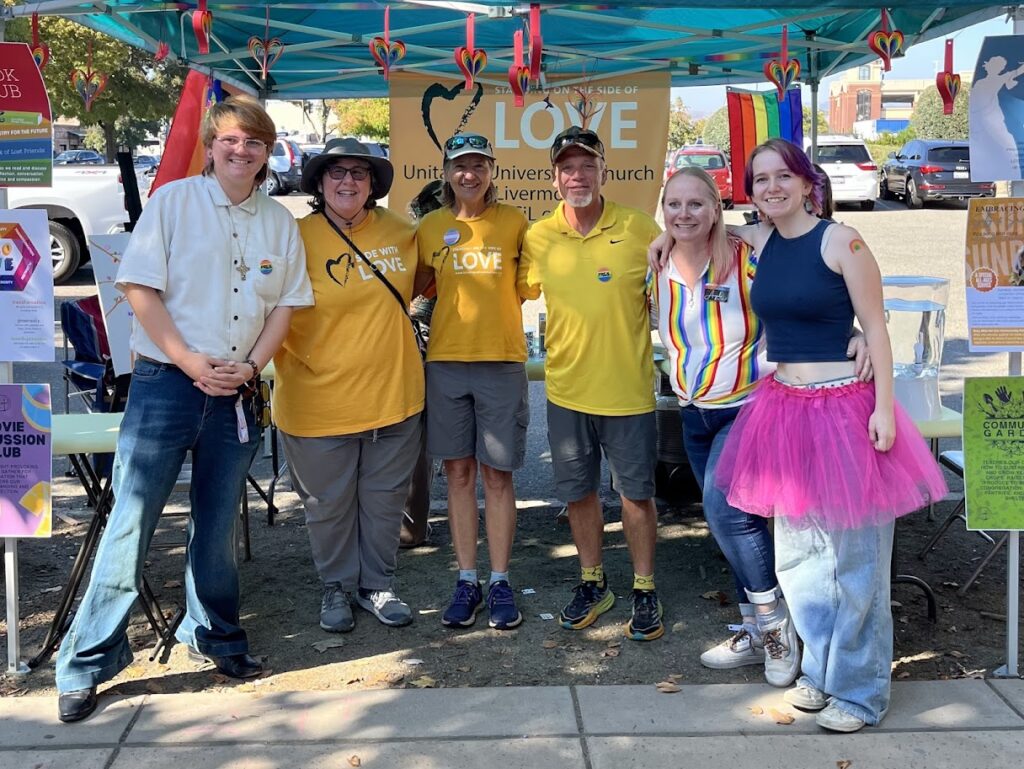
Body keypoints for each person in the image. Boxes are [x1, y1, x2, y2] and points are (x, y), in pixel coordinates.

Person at [55, 96, 313, 723]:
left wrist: (250, 367)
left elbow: (285, 306)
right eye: (230, 139)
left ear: (266, 152)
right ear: (210, 144)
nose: (241, 151)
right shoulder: (173, 202)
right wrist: (190, 361)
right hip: (168, 384)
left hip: (236, 392)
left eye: (254, 143)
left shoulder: (279, 221)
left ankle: (215, 633)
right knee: (132, 522)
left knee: (219, 527)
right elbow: (138, 289)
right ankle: (87, 662)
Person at [714, 138, 947, 732]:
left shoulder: (842, 240)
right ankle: (818, 674)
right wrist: (665, 237)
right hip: (784, 411)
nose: (771, 188)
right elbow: (688, 221)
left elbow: (876, 324)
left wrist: (886, 409)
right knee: (801, 561)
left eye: (781, 176)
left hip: (847, 411)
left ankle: (862, 691)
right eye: (759, 179)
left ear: (806, 180)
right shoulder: (760, 240)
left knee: (857, 562)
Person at [652, 166, 871, 686]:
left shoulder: (749, 256)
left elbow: (810, 292)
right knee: (734, 522)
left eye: (696, 204)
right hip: (693, 410)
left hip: (751, 406)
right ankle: (757, 628)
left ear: (716, 208)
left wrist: (856, 330)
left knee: (725, 512)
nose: (685, 215)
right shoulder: (656, 262)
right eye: (674, 206)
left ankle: (775, 630)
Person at [518, 127, 664, 641]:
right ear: (554, 177)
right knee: (578, 494)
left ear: (604, 171)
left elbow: (682, 285)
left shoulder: (642, 228)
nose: (576, 176)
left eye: (586, 166)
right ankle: (593, 581)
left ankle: (644, 587)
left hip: (627, 391)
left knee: (635, 495)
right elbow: (507, 291)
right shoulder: (538, 236)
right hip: (566, 392)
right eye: (567, 168)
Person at [273, 138, 423, 634]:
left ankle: (377, 584)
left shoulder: (404, 232)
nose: (348, 182)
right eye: (336, 173)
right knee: (328, 507)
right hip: (317, 402)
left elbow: (433, 285)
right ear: (318, 182)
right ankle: (335, 587)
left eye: (359, 173)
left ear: (373, 184)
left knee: (383, 503)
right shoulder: (291, 237)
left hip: (394, 397)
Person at [414, 134, 530, 630]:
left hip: (500, 361)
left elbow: (532, 284)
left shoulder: (515, 223)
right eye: (461, 165)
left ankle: (500, 580)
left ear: (491, 171)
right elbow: (411, 288)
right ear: (446, 172)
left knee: (497, 476)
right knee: (458, 475)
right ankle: (467, 580)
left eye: (479, 165)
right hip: (445, 363)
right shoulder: (429, 228)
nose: (470, 174)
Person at [399, 179, 446, 549]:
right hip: (418, 344)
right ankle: (410, 527)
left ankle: (411, 526)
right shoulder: (416, 245)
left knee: (417, 444)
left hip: (433, 345)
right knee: (415, 444)